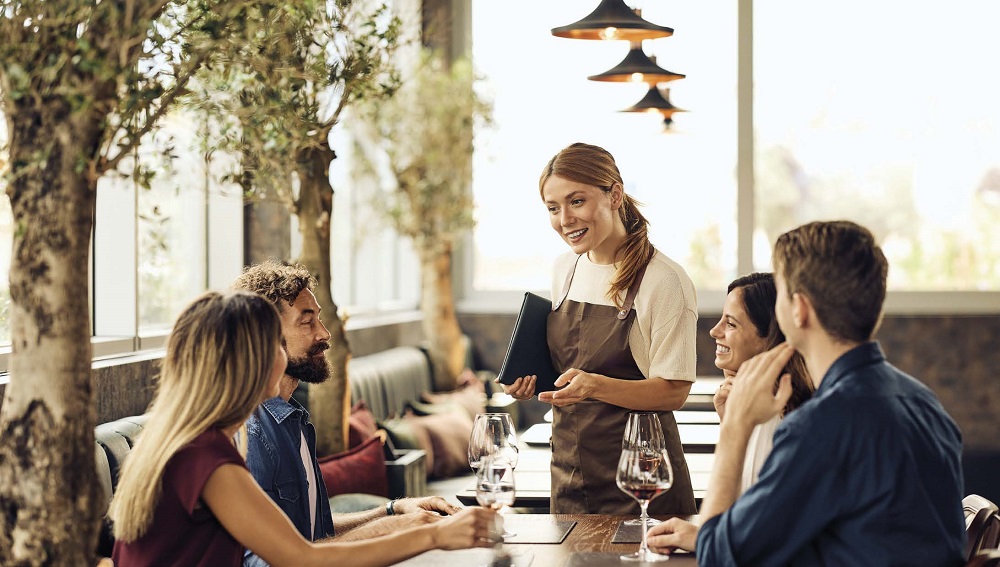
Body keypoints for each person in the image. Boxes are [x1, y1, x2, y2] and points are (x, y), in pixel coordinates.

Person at [647, 220, 965, 566]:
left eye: (780, 292)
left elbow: (722, 558)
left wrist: (735, 427)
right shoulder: (923, 402)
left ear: (798, 309)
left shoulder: (821, 424)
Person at [109, 291, 494, 566]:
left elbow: (295, 537)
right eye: (274, 345)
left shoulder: (189, 441)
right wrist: (432, 535)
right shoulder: (207, 457)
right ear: (248, 362)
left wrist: (398, 516)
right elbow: (300, 557)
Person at [502, 142, 697, 515]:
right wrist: (534, 381)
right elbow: (569, 363)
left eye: (577, 201)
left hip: (643, 480)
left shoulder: (663, 280)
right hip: (569, 474)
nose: (565, 220)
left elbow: (674, 392)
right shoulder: (566, 268)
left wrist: (594, 385)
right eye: (553, 208)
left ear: (615, 195)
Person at [232, 260, 466, 566]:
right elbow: (271, 560)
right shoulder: (255, 433)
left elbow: (316, 532)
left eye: (320, 319)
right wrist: (401, 531)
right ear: (266, 337)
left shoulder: (294, 419)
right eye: (307, 322)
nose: (325, 334)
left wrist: (394, 510)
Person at [710, 272, 812, 493]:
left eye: (730, 324)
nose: (714, 331)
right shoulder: (754, 406)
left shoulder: (780, 419)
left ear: (770, 337)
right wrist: (729, 422)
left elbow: (752, 517)